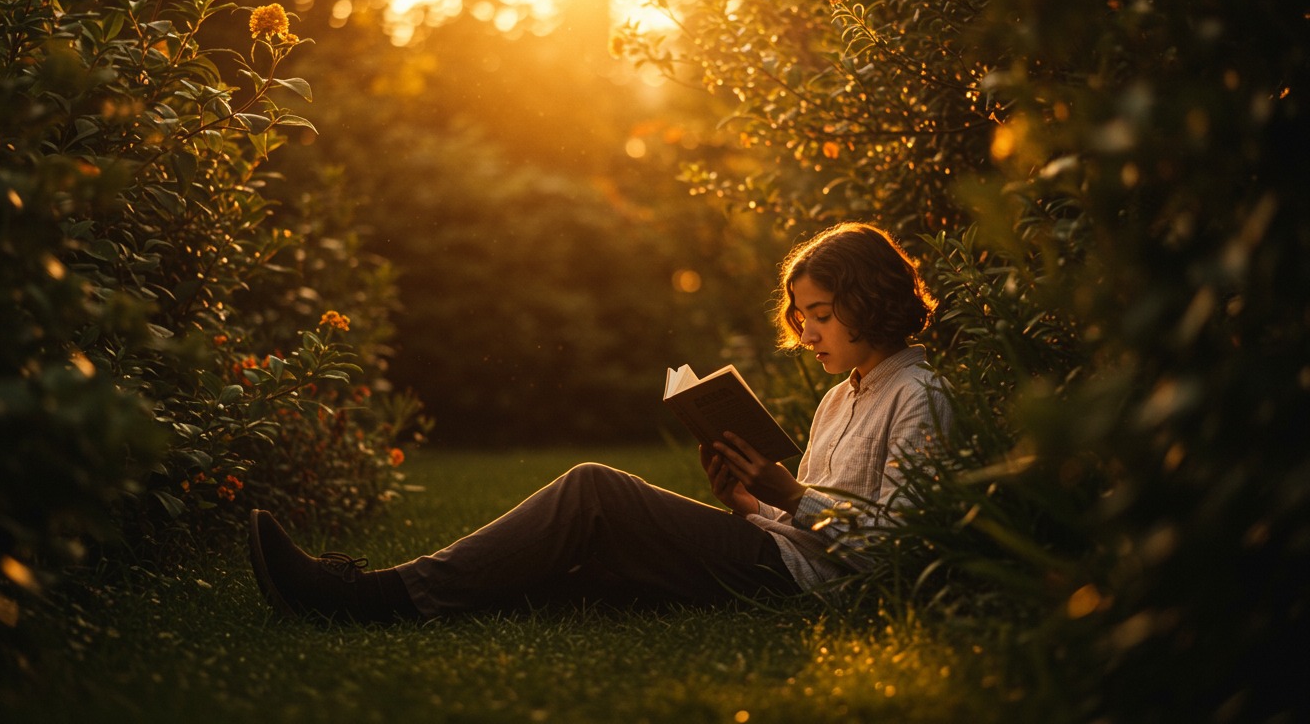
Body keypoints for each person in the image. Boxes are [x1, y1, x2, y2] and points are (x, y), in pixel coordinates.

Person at [248, 222, 952, 623]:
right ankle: (383, 598)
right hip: (782, 557)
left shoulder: (919, 394)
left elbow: (897, 551)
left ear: (870, 300)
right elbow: (808, 522)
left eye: (823, 316)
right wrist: (751, 501)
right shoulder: (843, 394)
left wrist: (791, 495)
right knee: (581, 563)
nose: (810, 334)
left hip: (809, 587)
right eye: (803, 319)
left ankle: (372, 597)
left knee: (594, 493)